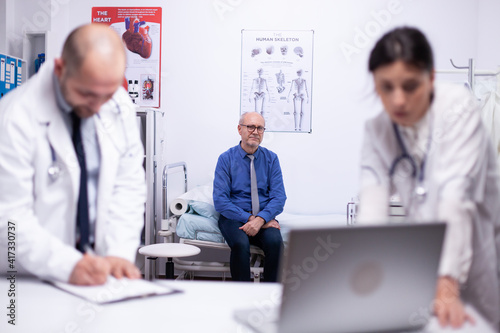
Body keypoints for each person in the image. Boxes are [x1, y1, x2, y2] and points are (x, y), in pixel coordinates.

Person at [357, 26, 500, 330]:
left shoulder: (458, 107)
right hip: (429, 263)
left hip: (483, 257)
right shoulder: (378, 130)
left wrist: (447, 283)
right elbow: (371, 207)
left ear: (431, 77)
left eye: (410, 86)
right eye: (385, 87)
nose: (397, 101)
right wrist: (365, 280)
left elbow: (455, 198)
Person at [0, 24, 146, 286]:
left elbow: (129, 186)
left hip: (96, 274)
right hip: (27, 277)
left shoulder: (119, 103)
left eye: (108, 95)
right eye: (87, 94)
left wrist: (118, 251)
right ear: (60, 69)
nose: (98, 106)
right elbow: (9, 219)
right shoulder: (14, 119)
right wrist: (66, 265)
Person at [213, 112, 286, 282]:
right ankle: (242, 295)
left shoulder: (271, 159)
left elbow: (279, 197)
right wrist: (252, 219)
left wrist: (261, 219)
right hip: (234, 217)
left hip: (263, 217)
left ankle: (270, 295)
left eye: (260, 128)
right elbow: (220, 200)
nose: (255, 131)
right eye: (250, 126)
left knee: (275, 243)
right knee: (240, 244)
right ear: (240, 129)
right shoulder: (226, 159)